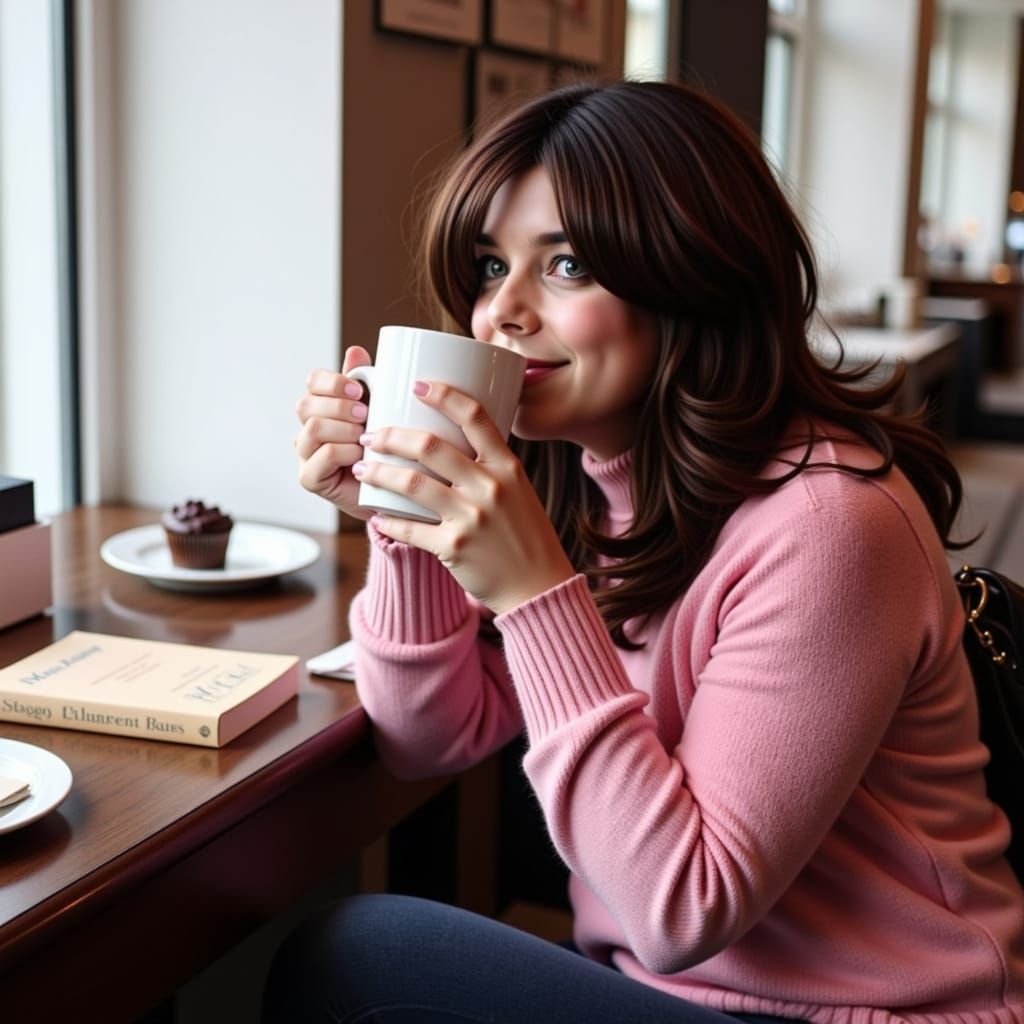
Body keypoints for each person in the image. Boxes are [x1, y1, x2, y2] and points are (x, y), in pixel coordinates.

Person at [268, 80, 1024, 1023]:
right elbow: (425, 738)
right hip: (667, 987)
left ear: (694, 274)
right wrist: (406, 518)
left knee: (357, 958)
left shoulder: (829, 524)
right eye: (488, 264)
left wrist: (539, 595)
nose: (502, 311)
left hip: (865, 1014)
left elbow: (682, 907)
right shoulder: (597, 482)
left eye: (569, 264)